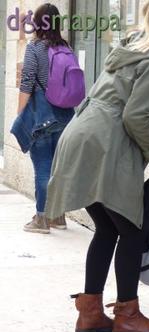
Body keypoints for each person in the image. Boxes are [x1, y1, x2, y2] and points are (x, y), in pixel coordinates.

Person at [45, 0, 149, 332]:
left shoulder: (130, 48)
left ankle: (90, 314)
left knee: (106, 228)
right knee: (131, 230)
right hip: (106, 147)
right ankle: (127, 315)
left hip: (82, 137)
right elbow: (135, 117)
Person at [16, 4, 74, 234]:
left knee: (42, 167)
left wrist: (21, 114)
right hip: (65, 115)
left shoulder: (34, 48)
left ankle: (41, 219)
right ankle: (58, 215)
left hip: (41, 116)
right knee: (58, 168)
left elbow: (27, 82)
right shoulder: (65, 47)